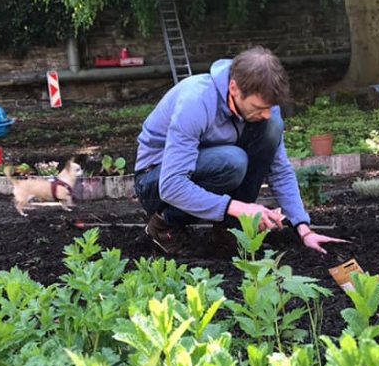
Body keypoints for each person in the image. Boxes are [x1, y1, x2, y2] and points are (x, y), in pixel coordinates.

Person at [134, 46, 347, 256]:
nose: (264, 114)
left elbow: (279, 169)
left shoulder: (264, 108)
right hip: (155, 182)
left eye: (268, 107)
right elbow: (171, 185)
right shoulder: (196, 101)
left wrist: (303, 228)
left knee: (272, 126)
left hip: (206, 171)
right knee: (233, 162)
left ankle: (232, 230)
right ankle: (163, 227)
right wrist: (238, 207)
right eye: (258, 107)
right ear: (234, 88)